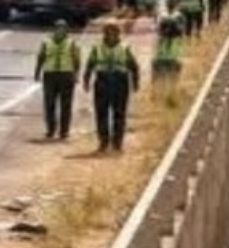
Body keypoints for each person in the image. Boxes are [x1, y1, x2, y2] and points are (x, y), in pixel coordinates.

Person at [83, 22, 141, 153]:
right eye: (108, 32)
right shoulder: (97, 48)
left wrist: (135, 83)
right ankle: (103, 142)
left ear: (118, 34)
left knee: (119, 114)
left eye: (114, 32)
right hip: (102, 82)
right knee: (101, 114)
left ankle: (117, 143)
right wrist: (86, 81)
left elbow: (134, 66)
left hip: (120, 82)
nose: (111, 35)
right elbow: (90, 65)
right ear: (104, 34)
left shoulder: (124, 48)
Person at [33, 19, 80, 140]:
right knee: (49, 104)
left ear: (67, 30)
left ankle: (64, 131)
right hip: (50, 75)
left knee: (66, 105)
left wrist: (76, 74)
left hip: (66, 74)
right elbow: (41, 57)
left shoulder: (71, 43)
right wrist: (37, 73)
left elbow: (76, 60)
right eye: (58, 28)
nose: (60, 31)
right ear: (54, 29)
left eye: (63, 28)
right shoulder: (46, 42)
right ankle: (50, 129)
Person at [153, 16, 184, 81]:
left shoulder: (160, 40)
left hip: (160, 63)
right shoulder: (177, 40)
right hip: (172, 63)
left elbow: (156, 55)